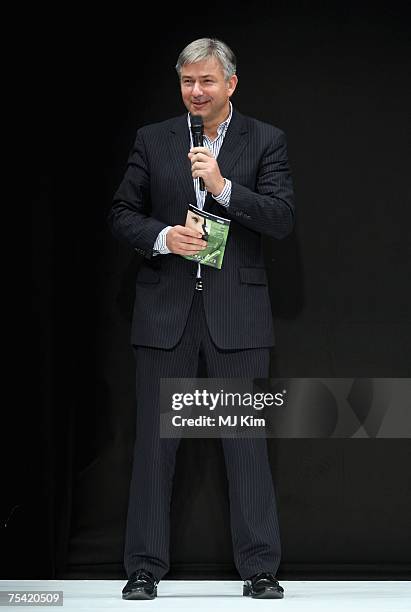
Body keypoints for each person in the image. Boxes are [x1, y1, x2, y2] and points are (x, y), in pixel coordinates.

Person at [107, 37, 295, 600]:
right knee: (155, 448)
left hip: (236, 316)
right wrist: (164, 237)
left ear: (230, 84)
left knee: (244, 444)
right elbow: (122, 213)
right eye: (187, 81)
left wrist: (223, 188)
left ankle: (260, 569)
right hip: (166, 313)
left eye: (206, 81)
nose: (196, 91)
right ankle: (143, 568)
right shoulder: (152, 139)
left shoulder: (265, 140)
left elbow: (282, 218)